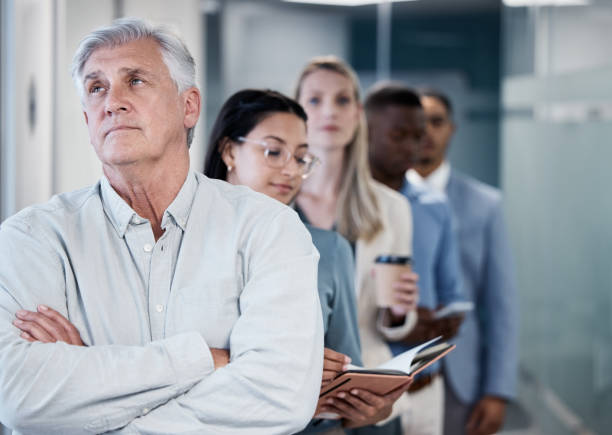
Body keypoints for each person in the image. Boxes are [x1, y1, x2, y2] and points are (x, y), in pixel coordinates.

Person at [0, 18, 324, 434]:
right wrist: (203, 360)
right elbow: (17, 395)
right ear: (87, 120)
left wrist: (92, 386)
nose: (111, 102)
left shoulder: (268, 229)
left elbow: (279, 397)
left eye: (135, 81)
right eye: (96, 87)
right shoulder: (33, 238)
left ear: (189, 106)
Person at [203, 88, 413, 433]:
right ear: (229, 151)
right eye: (274, 152)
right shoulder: (181, 240)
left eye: (301, 158)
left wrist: (367, 408)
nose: (290, 170)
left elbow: (348, 371)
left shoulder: (327, 250)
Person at [294, 56, 418, 434]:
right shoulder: (272, 204)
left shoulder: (392, 208)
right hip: (297, 400)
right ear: (295, 109)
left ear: (358, 112)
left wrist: (398, 312)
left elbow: (388, 323)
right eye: (314, 100)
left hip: (371, 397)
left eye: (343, 100)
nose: (329, 111)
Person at [408, 89, 519, 435]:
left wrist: (498, 390)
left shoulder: (485, 205)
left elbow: (501, 306)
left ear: (452, 129)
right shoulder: (379, 203)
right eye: (416, 123)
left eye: (436, 122)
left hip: (460, 375)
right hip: (393, 370)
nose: (426, 131)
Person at [365, 83, 466, 435]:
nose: (414, 146)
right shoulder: (342, 207)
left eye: (418, 135)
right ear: (366, 132)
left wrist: (435, 323)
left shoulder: (434, 206)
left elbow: (453, 298)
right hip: (364, 396)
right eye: (399, 136)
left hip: (424, 389)